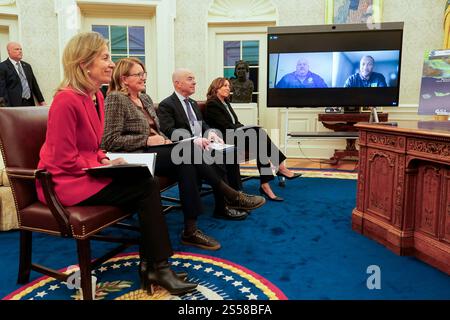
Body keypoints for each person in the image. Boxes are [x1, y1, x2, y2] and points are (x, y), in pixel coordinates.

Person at [36, 32, 197, 295]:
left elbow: (96, 145)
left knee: (147, 179)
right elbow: (64, 159)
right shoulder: (65, 100)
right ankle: (156, 266)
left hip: (86, 171)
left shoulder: (96, 96)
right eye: (105, 57)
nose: (112, 64)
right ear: (83, 64)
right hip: (64, 182)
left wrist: (104, 158)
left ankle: (153, 265)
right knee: (146, 184)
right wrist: (103, 165)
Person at [102, 59, 266, 251]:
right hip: (136, 154)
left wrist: (167, 141)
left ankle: (191, 229)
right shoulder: (115, 98)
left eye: (143, 73)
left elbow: (160, 130)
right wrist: (145, 141)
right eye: (138, 74)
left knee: (187, 158)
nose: (144, 77)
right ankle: (231, 195)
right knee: (188, 150)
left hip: (158, 150)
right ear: (124, 79)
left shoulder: (144, 98)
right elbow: (110, 141)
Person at [205, 77, 302, 201]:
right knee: (258, 133)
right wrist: (244, 129)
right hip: (223, 139)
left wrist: (243, 128)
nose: (228, 88)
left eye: (229, 86)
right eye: (224, 86)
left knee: (260, 141)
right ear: (216, 88)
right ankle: (279, 169)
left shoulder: (226, 102)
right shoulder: (212, 104)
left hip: (233, 134)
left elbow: (236, 122)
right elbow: (226, 126)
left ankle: (265, 184)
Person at [0, 42, 46, 106]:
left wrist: (41, 101)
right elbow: (2, 89)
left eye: (21, 49)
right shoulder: (2, 67)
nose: (20, 51)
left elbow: (34, 85)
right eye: (17, 49)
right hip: (13, 105)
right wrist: (6, 106)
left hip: (29, 103)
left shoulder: (27, 66)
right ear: (9, 51)